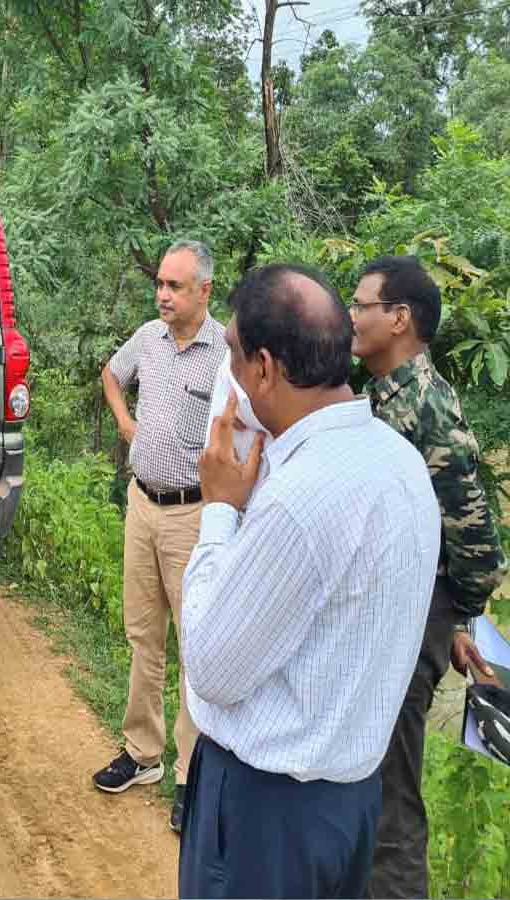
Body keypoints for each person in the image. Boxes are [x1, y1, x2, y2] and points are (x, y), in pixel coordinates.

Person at [178, 263, 441, 899]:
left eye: (235, 356)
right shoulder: (401, 463)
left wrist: (221, 510)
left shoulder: (300, 500)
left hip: (264, 814)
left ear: (264, 369)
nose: (231, 376)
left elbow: (211, 666)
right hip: (350, 806)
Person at [349, 255, 508, 899]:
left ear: (399, 318)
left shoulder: (425, 405)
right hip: (393, 612)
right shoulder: (381, 397)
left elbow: (476, 541)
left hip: (412, 620)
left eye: (361, 305)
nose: (351, 316)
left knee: (390, 798)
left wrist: (449, 618)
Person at [95, 239, 225, 831]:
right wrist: (126, 422)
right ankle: (142, 752)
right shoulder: (148, 338)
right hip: (142, 503)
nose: (163, 295)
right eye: (161, 284)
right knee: (143, 633)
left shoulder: (225, 355)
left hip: (192, 515)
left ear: (205, 290)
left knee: (194, 646)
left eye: (175, 286)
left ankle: (190, 775)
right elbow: (111, 374)